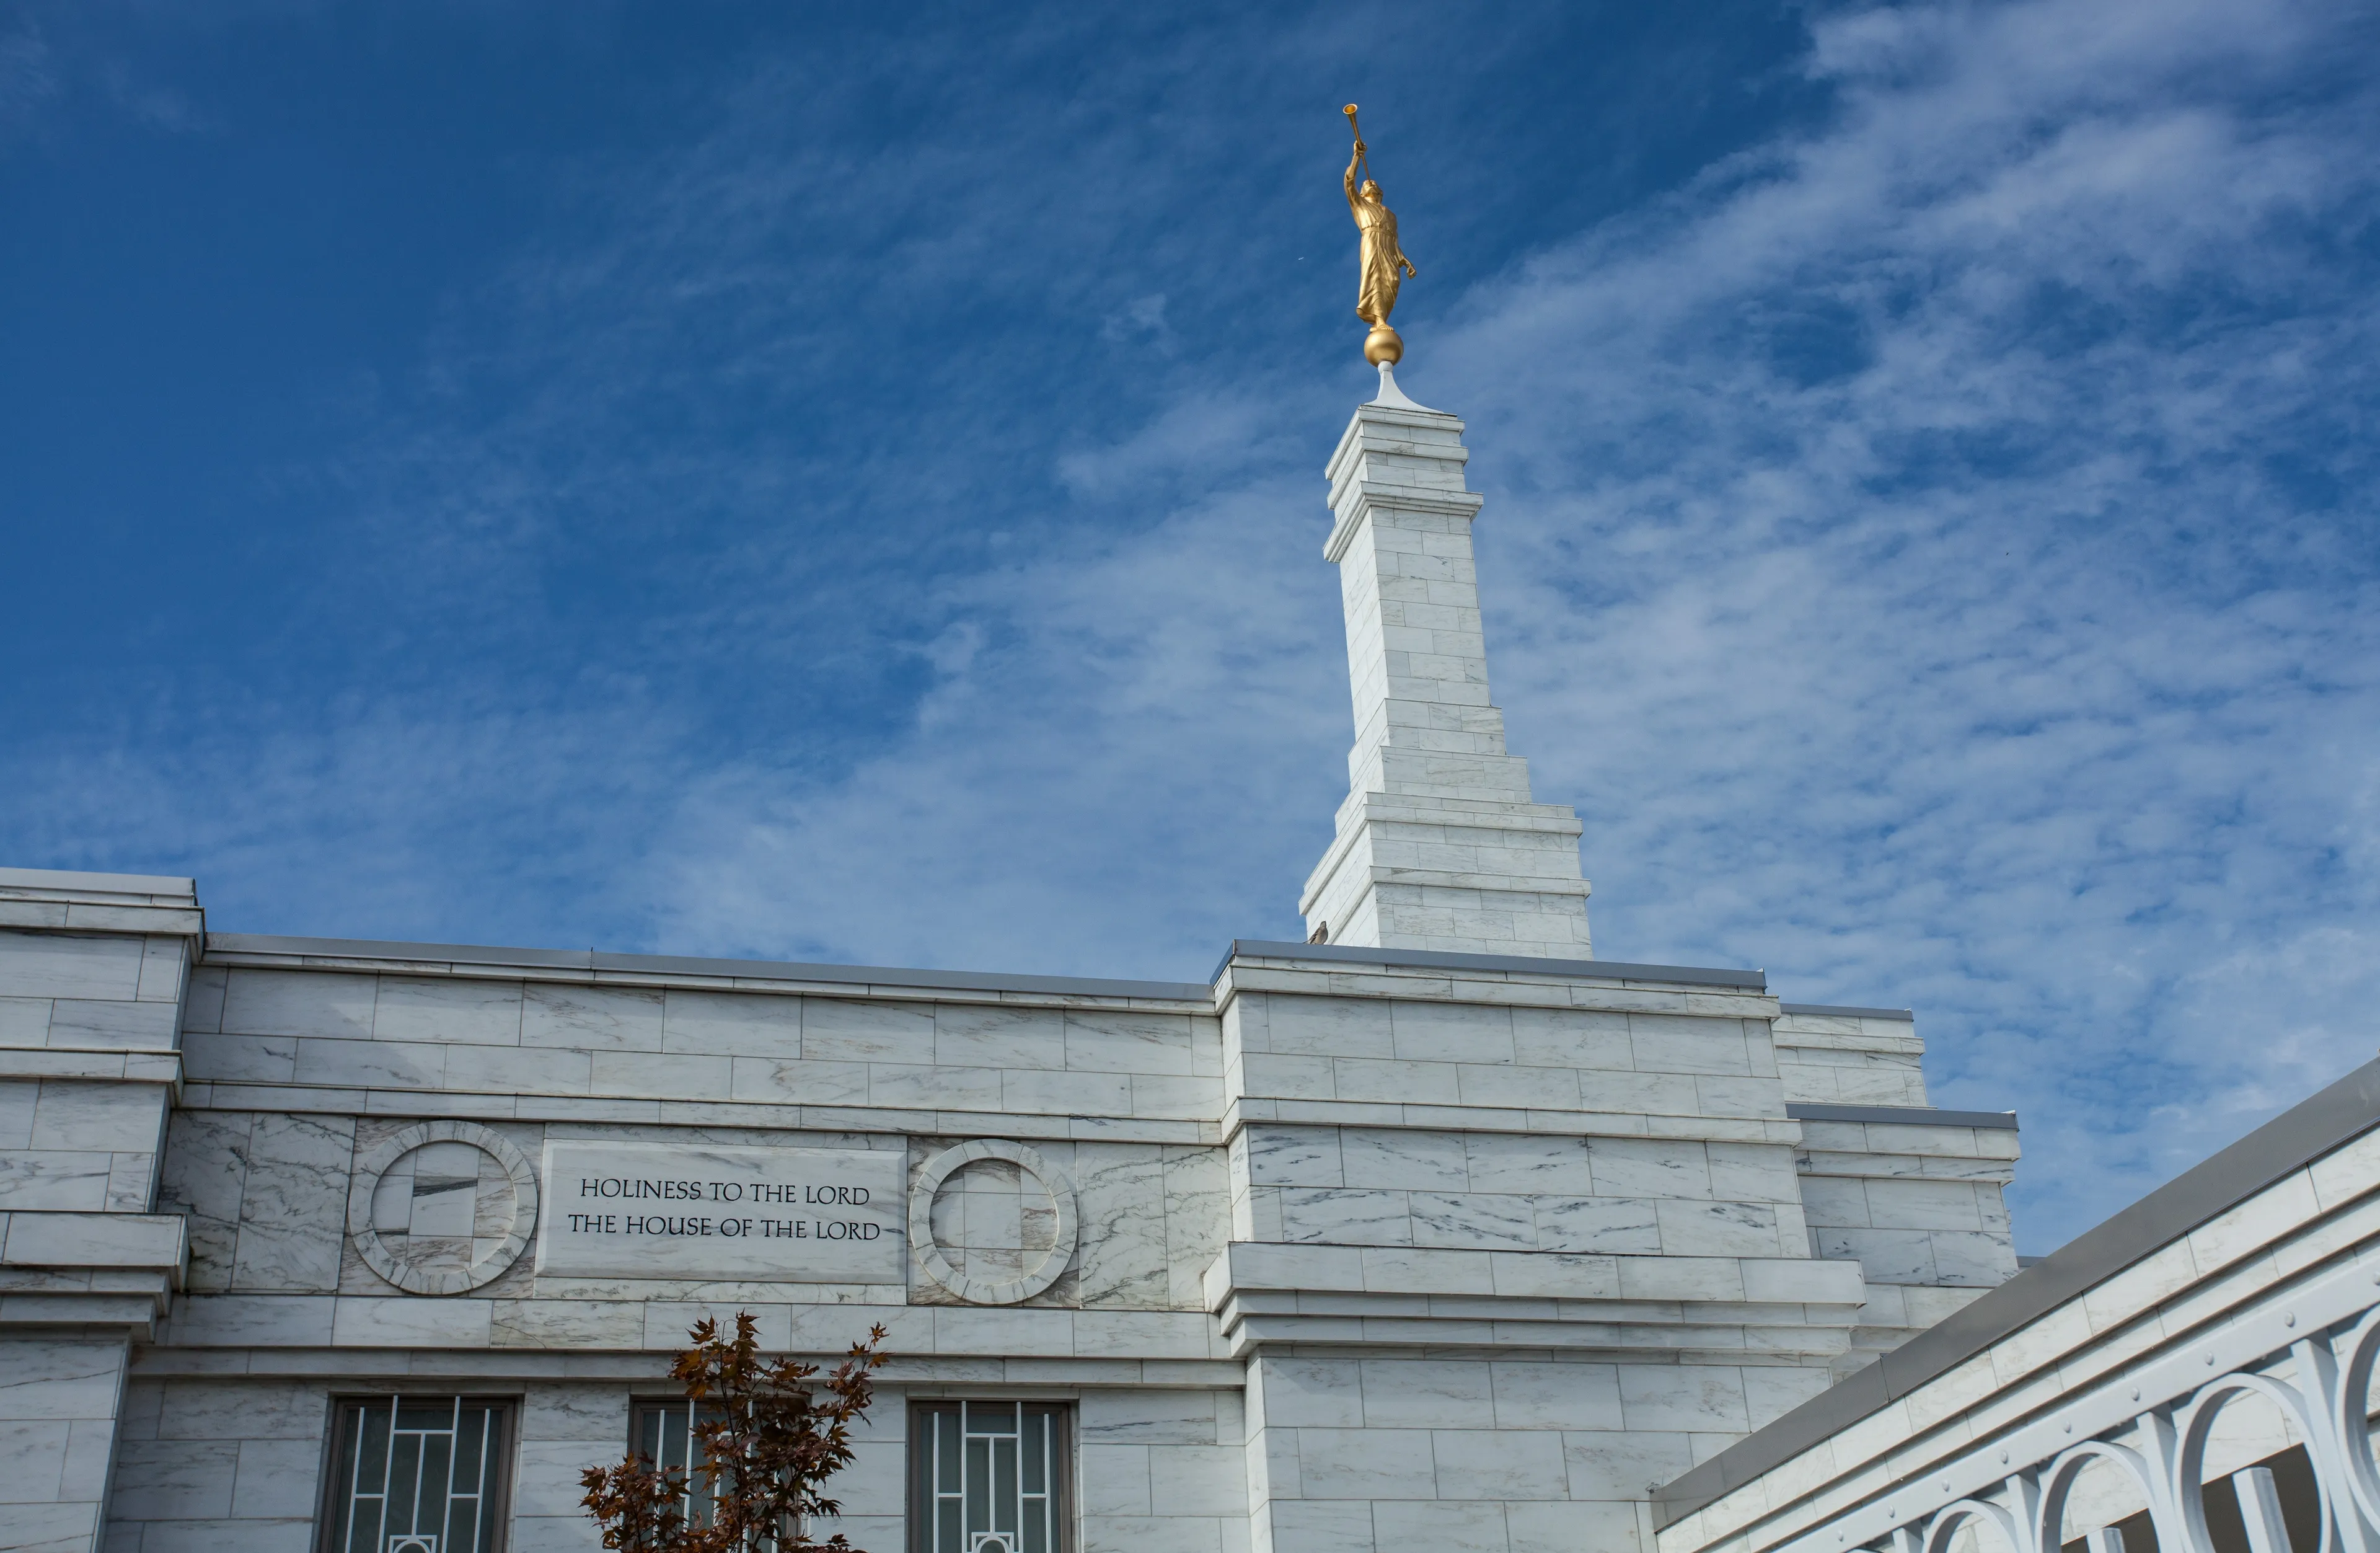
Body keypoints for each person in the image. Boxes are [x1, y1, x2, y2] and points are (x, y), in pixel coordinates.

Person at [1344, 139, 1417, 327]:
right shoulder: (1360, 205)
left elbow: (1394, 241)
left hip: (1387, 246)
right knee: (1374, 277)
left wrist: (1405, 260)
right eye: (1367, 184)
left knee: (1392, 280)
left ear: (1380, 192)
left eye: (1373, 183)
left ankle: (1382, 316)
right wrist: (1357, 157)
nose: (1370, 183)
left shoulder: (1391, 215)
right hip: (1371, 240)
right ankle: (1379, 320)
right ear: (1361, 193)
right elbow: (1349, 183)